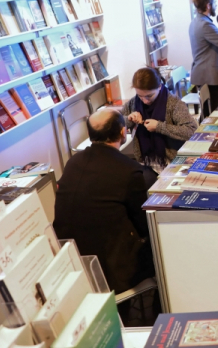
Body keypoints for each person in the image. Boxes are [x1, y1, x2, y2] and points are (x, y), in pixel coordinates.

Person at [54, 109, 156, 294]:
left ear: (90, 134)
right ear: (122, 132)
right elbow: (144, 224)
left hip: (69, 263)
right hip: (110, 271)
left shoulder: (73, 162)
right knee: (160, 241)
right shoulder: (129, 171)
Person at [122, 67, 198, 171]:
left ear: (159, 86)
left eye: (149, 96)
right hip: (145, 161)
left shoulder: (173, 104)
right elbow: (119, 123)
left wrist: (159, 127)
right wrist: (129, 119)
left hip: (171, 162)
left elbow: (191, 131)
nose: (144, 101)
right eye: (140, 96)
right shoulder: (133, 103)